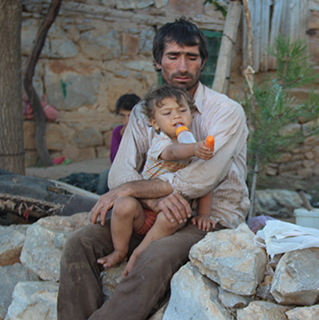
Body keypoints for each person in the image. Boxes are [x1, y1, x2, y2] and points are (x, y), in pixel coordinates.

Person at [57, 18, 249, 320]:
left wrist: (133, 190)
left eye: (192, 57)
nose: (182, 66)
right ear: (158, 61)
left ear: (203, 62)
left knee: (155, 255)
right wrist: (153, 200)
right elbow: (118, 175)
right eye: (173, 56)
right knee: (79, 243)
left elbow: (200, 180)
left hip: (206, 220)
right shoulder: (142, 112)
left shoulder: (226, 112)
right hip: (148, 213)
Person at [96, 84, 215, 278]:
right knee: (123, 205)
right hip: (142, 210)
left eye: (182, 110)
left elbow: (206, 182)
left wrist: (203, 214)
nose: (176, 116)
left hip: (167, 215)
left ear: (192, 115)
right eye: (167, 113)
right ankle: (120, 250)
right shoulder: (161, 143)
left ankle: (139, 252)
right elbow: (173, 153)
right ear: (155, 123)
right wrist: (194, 149)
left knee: (175, 214)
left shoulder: (193, 143)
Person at [98, 93, 142, 195]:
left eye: (130, 116)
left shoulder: (144, 132)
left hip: (140, 173)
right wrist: (124, 140)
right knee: (105, 175)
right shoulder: (118, 132)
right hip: (122, 172)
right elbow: (114, 160)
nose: (127, 121)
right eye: (123, 115)